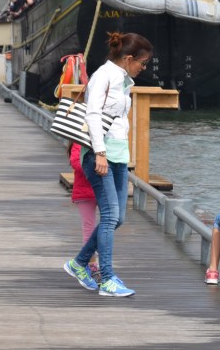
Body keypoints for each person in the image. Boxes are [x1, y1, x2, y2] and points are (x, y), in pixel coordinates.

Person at [63, 32, 153, 297]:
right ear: (128, 58)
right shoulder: (104, 75)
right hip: (100, 154)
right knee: (111, 216)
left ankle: (79, 263)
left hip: (118, 154)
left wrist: (118, 153)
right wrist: (99, 152)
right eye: (143, 62)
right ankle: (107, 278)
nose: (144, 67)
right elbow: (92, 115)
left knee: (118, 217)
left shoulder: (124, 80)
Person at [68, 141, 100, 283]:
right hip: (85, 191)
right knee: (89, 227)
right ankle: (91, 263)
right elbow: (76, 163)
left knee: (107, 224)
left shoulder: (101, 140)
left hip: (100, 188)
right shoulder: (78, 141)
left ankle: (95, 262)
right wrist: (97, 164)